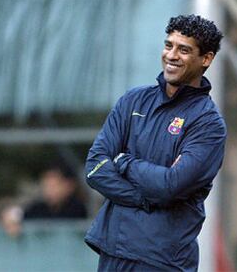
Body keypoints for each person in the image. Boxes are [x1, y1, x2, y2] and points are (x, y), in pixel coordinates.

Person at [84, 14, 226, 271]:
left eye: (184, 50)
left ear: (206, 59)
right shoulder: (133, 101)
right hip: (113, 250)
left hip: (163, 259)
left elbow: (171, 185)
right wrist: (144, 199)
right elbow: (95, 168)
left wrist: (124, 162)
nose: (171, 55)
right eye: (169, 45)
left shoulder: (208, 124)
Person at [23, 165, 88, 219]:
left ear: (67, 186)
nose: (49, 190)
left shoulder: (77, 209)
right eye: (46, 185)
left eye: (54, 186)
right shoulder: (36, 209)